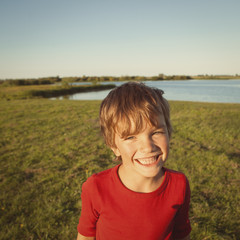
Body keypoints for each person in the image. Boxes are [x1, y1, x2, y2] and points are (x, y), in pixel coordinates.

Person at [76, 82, 191, 240]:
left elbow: (181, 234)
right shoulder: (96, 187)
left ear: (168, 133)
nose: (147, 147)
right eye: (131, 137)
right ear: (114, 146)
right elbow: (86, 236)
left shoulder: (179, 185)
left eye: (156, 132)